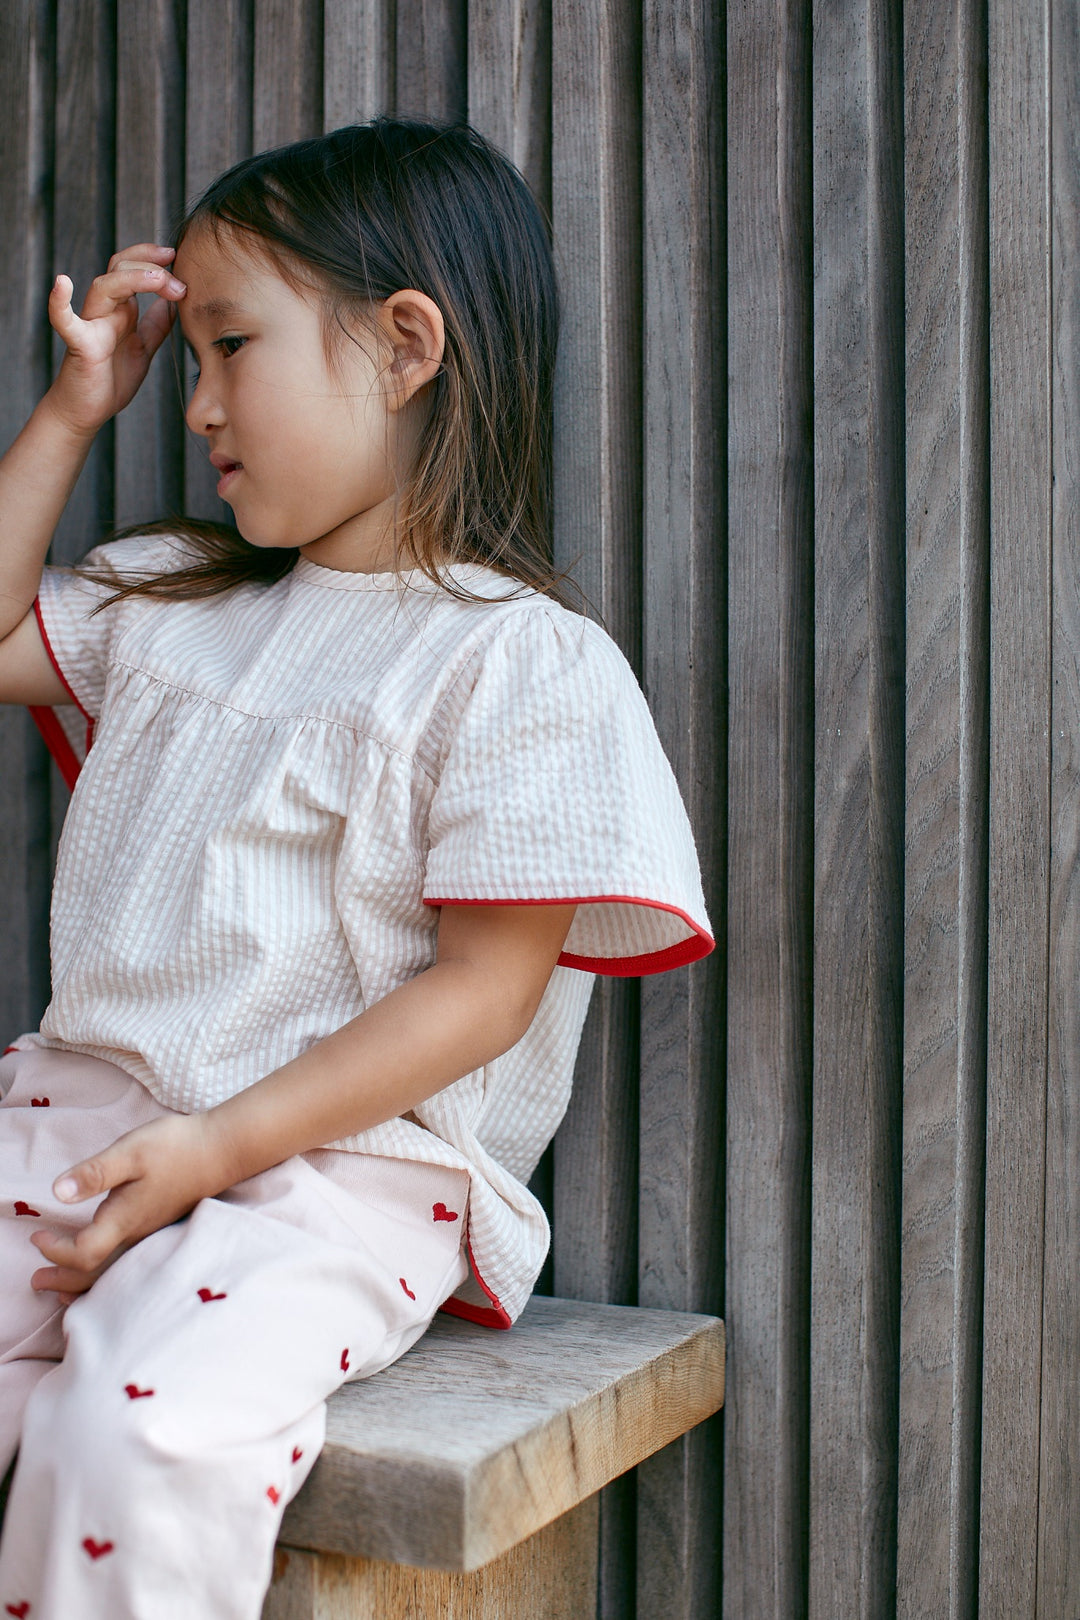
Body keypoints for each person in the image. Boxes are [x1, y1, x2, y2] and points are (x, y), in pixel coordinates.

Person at [0, 118, 711, 1620]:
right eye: (188, 359)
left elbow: (484, 993)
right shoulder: (172, 603)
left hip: (338, 1173)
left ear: (403, 347)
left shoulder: (518, 663)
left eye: (230, 346)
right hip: (84, 1117)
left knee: (139, 1432)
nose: (197, 403)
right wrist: (72, 409)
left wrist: (217, 1149)